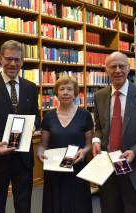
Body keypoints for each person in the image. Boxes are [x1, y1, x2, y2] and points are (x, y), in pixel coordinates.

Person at [92, 51, 136, 213]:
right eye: (113, 66)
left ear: (128, 68)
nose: (118, 70)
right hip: (109, 170)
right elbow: (99, 127)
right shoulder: (100, 96)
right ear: (106, 70)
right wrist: (96, 140)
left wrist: (134, 152)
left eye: (122, 66)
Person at [0, 40, 40, 213]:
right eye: (9, 59)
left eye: (17, 60)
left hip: (23, 159)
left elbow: (36, 117)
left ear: (22, 61)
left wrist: (33, 126)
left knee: (24, 203)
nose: (13, 63)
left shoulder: (31, 88)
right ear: (0, 59)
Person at [37, 76, 93, 213]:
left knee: (78, 205)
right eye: (62, 89)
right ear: (56, 93)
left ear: (75, 93)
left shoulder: (85, 115)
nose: (66, 92)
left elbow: (89, 144)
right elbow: (43, 145)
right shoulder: (49, 117)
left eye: (70, 89)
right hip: (55, 171)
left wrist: (84, 152)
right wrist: (40, 152)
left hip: (77, 169)